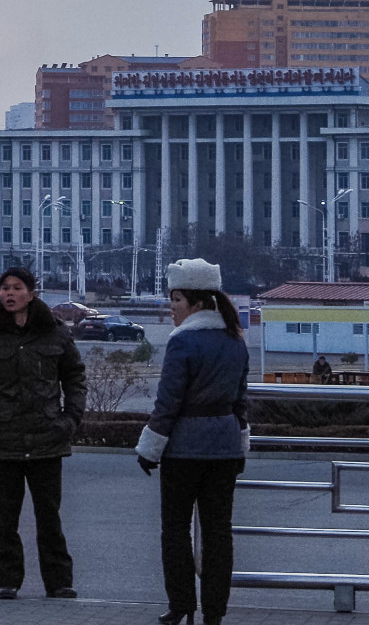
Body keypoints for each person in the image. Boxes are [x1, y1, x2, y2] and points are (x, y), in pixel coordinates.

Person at [0, 265, 86, 601]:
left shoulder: (55, 332)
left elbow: (75, 376)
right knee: (5, 520)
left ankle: (59, 582)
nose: (9, 294)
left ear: (32, 293)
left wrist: (70, 419)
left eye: (16, 287)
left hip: (47, 440)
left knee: (49, 518)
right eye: (4, 288)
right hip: (4, 440)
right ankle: (7, 580)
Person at [135, 259, 251, 625]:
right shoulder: (235, 340)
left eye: (177, 299)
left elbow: (168, 402)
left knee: (175, 529)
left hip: (184, 448)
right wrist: (240, 443)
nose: (171, 306)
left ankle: (181, 604)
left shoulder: (183, 341)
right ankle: (214, 612)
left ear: (197, 303)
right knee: (219, 533)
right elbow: (241, 401)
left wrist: (149, 448)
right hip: (226, 448)